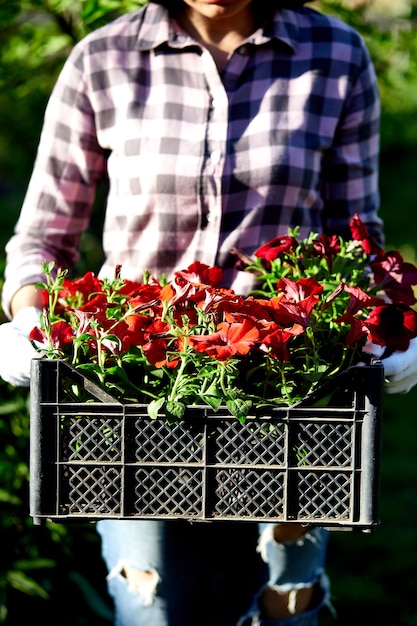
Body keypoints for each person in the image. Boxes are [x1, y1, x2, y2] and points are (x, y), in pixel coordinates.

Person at [1, 1, 417, 624]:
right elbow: (44, 236)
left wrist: (384, 322)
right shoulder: (105, 58)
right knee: (154, 605)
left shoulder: (334, 54)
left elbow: (354, 233)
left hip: (289, 387)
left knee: (286, 600)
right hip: (132, 385)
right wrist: (30, 316)